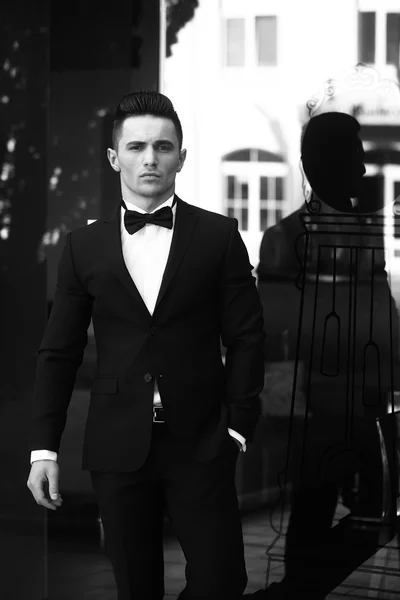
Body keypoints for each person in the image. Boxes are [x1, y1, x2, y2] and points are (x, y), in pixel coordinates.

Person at [26, 90, 265, 600]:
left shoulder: (219, 237)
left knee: (222, 580)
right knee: (136, 586)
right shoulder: (82, 246)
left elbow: (246, 337)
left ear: (182, 155)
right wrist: (43, 448)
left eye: (162, 146)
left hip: (202, 441)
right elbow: (59, 352)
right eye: (136, 147)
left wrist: (239, 426)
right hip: (116, 443)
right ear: (115, 158)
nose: (150, 158)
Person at [246, 112, 400, 599]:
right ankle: (295, 593)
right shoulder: (285, 238)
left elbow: (379, 312)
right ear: (323, 164)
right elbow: (275, 332)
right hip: (315, 407)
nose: (362, 168)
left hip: (361, 401)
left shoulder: (363, 234)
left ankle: (292, 594)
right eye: (353, 156)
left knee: (373, 511)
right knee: (315, 514)